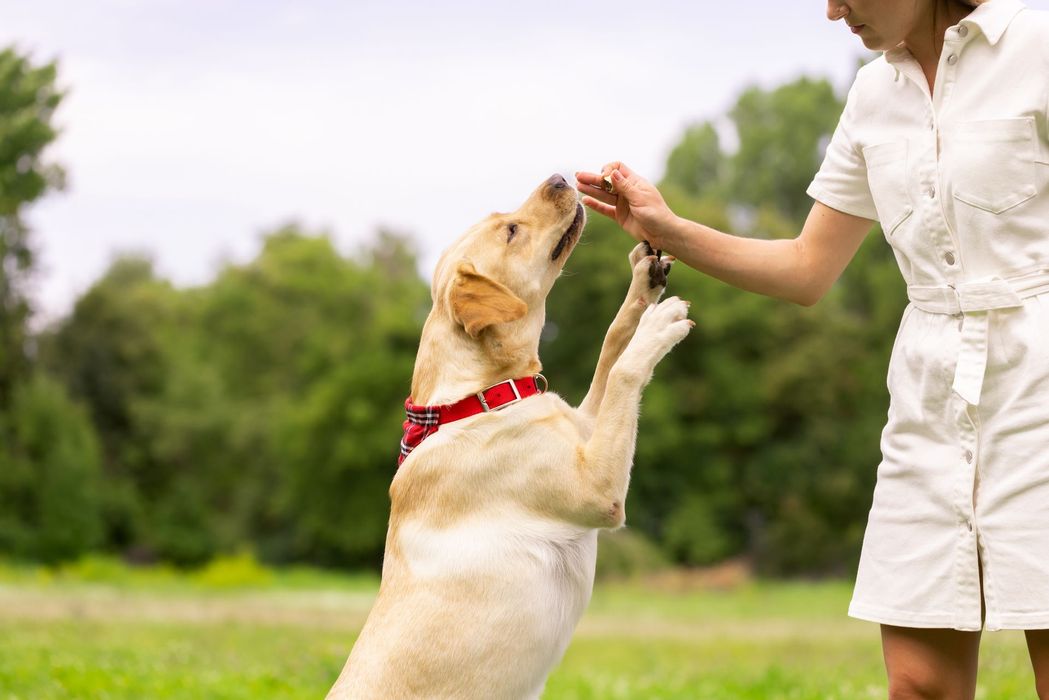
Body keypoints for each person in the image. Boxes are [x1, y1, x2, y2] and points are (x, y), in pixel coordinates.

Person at [576, 0, 1049, 697]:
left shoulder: (1035, 45)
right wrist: (666, 229)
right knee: (917, 685)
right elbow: (806, 268)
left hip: (1037, 382)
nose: (831, 11)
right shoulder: (871, 95)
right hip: (928, 396)